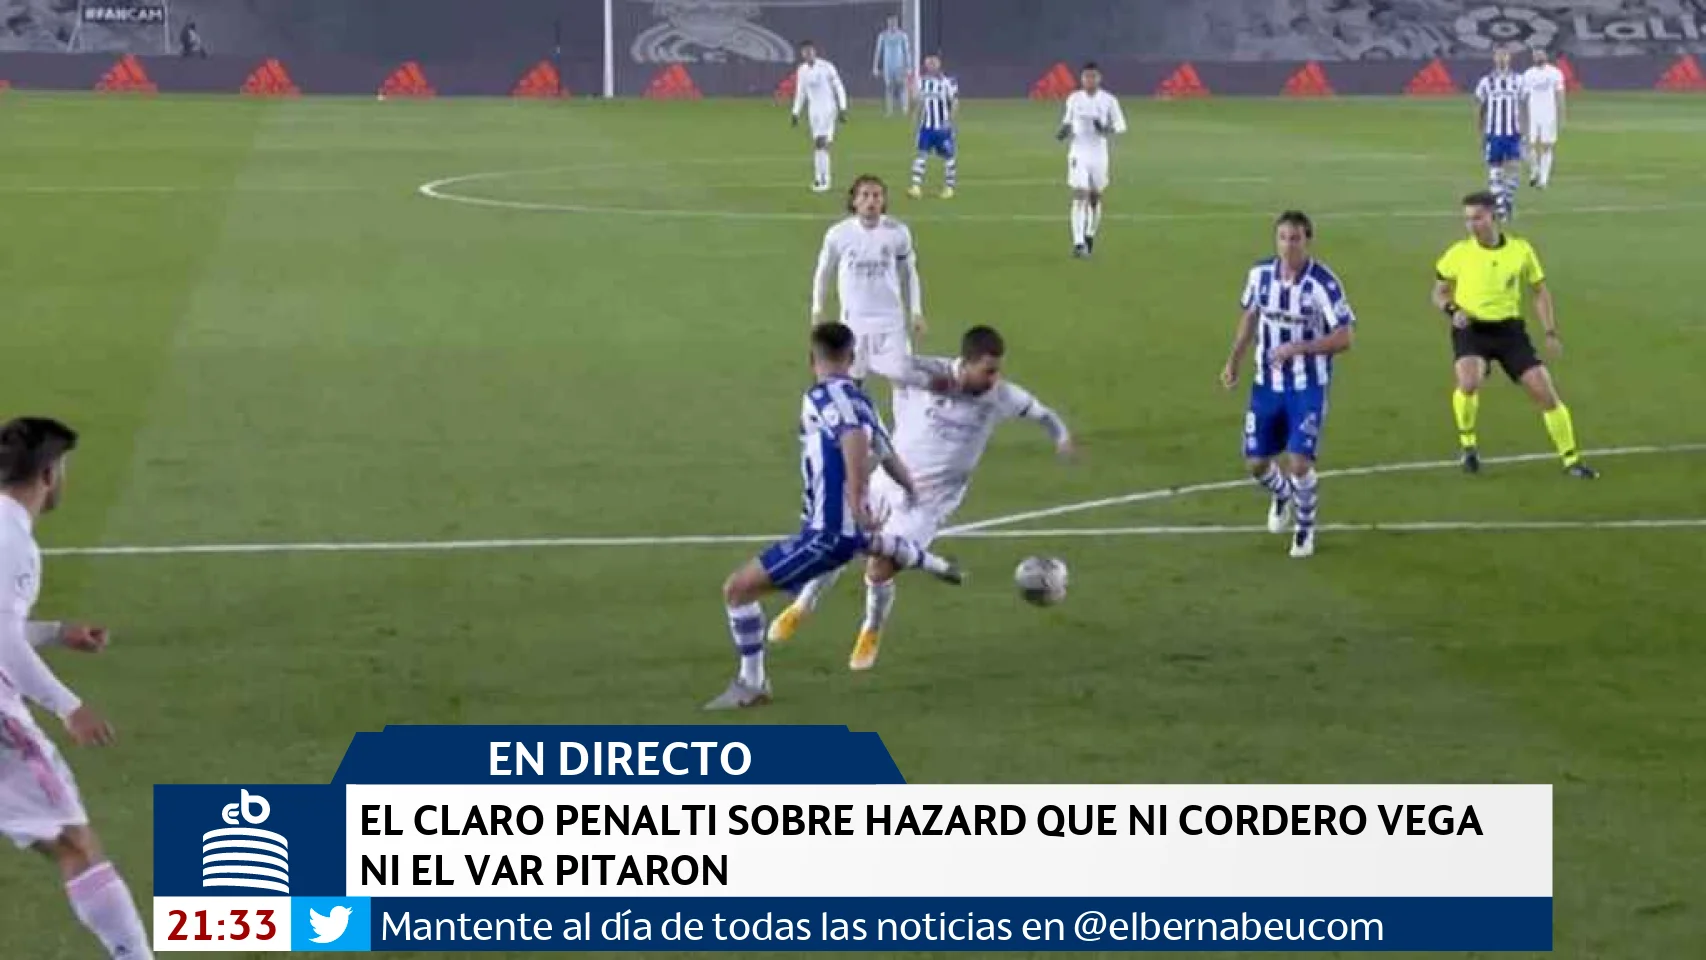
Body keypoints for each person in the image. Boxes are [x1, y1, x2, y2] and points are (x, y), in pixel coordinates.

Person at [769, 326, 1072, 669]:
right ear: (966, 362)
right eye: (988, 370)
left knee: (880, 567)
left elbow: (1043, 414)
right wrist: (925, 378)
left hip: (929, 501)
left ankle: (871, 629)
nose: (994, 379)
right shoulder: (926, 372)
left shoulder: (1003, 397)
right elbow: (883, 364)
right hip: (888, 477)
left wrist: (1061, 437)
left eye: (997, 370)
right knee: (839, 541)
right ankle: (803, 605)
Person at [706, 325, 962, 710]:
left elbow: (853, 436)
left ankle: (752, 684)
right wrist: (911, 491)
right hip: (836, 530)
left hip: (825, 533)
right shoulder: (861, 400)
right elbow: (887, 453)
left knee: (737, 590)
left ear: (812, 360)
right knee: (868, 543)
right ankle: (937, 564)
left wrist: (857, 497)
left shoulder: (826, 396)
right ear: (852, 357)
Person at [0, 418, 153, 958]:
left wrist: (56, 633)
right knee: (73, 842)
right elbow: (2, 641)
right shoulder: (13, 541)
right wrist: (69, 706)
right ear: (49, 473)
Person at [1219, 211, 1356, 559]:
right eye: (1282, 238)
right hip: (1266, 383)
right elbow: (1250, 316)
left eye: (1295, 238)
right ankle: (1282, 494)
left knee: (1299, 462)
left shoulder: (1323, 283)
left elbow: (1345, 337)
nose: (1288, 245)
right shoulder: (1260, 275)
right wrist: (1233, 360)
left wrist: (1301, 348)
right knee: (1256, 463)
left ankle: (1304, 530)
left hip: (1308, 385)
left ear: (1307, 241)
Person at [1432, 192, 1597, 479]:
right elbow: (1438, 291)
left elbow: (1539, 291)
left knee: (1545, 393)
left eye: (1477, 218)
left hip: (1509, 332)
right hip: (1471, 329)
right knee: (1468, 381)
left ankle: (1571, 460)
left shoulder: (1520, 250)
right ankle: (1468, 445)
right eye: (1467, 219)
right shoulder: (1458, 253)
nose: (1471, 225)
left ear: (1494, 216)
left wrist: (1550, 331)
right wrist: (1452, 310)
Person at [811, 175, 925, 383]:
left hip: (891, 322)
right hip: (855, 322)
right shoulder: (838, 234)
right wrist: (817, 309)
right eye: (865, 195)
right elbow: (823, 272)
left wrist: (916, 312)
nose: (871, 201)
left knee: (904, 381)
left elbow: (909, 274)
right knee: (852, 382)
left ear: (884, 200)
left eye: (877, 195)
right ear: (854, 201)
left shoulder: (898, 232)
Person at [1056, 62, 1127, 258]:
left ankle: (1089, 234)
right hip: (1078, 152)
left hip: (1099, 154)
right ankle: (1078, 243)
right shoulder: (1074, 99)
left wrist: (1105, 129)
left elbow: (1121, 125)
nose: (1089, 80)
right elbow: (1067, 122)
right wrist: (1063, 132)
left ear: (1099, 78)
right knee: (1080, 194)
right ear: (1081, 79)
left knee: (1095, 197)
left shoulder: (1109, 100)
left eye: (1093, 76)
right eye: (1086, 76)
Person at [790, 40, 848, 193]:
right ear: (802, 54)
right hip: (813, 111)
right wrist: (795, 112)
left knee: (821, 143)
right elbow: (800, 92)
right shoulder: (802, 70)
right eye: (805, 51)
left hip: (828, 108)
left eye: (810, 50)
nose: (808, 54)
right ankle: (818, 178)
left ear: (815, 51)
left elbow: (839, 87)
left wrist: (843, 108)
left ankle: (825, 181)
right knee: (817, 145)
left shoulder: (827, 67)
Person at [1474, 48, 1525, 221]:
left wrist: (1526, 129)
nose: (1502, 58)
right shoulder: (1486, 82)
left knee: (1514, 170)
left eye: (1505, 55)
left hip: (1514, 133)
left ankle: (1507, 199)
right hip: (1494, 133)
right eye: (1499, 55)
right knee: (1495, 169)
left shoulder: (1519, 80)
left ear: (1510, 58)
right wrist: (1480, 132)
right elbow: (1480, 108)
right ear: (1494, 59)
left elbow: (1524, 106)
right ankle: (1501, 208)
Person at [908, 54, 959, 200]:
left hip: (942, 128)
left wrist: (950, 122)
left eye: (933, 64)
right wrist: (914, 115)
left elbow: (954, 103)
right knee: (921, 155)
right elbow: (917, 100)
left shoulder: (948, 82)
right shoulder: (922, 82)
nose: (930, 66)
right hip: (926, 127)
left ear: (938, 65)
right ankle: (916, 187)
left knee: (949, 157)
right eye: (928, 64)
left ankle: (949, 187)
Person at [1522, 49, 1566, 189]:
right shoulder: (1528, 74)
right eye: (1536, 55)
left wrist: (1561, 115)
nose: (1538, 57)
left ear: (1546, 56)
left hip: (1549, 115)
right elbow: (1524, 98)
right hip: (1533, 114)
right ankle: (1535, 169)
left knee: (1546, 146)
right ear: (1533, 58)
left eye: (1541, 54)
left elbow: (1560, 94)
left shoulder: (1555, 73)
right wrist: (1522, 116)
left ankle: (1543, 180)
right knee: (1529, 145)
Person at [872, 16, 911, 117]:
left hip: (900, 66)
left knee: (902, 87)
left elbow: (907, 52)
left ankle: (904, 110)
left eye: (894, 23)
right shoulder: (883, 36)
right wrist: (875, 67)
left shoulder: (902, 35)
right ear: (888, 24)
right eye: (890, 23)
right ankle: (889, 111)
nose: (892, 25)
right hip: (888, 66)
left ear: (897, 24)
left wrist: (908, 67)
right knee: (889, 88)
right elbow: (878, 51)